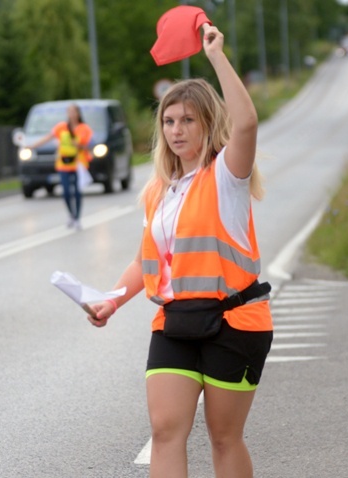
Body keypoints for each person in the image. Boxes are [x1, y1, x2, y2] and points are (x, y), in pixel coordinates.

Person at [85, 25, 273, 478]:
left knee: (224, 437)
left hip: (233, 321)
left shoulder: (226, 177)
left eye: (187, 120)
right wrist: (111, 300)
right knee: (166, 430)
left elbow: (246, 123)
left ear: (208, 122)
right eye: (169, 121)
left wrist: (216, 57)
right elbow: (143, 261)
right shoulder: (158, 191)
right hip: (174, 321)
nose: (176, 130)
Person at [27, 104, 92, 229]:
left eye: (73, 112)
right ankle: (71, 215)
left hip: (78, 164)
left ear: (78, 114)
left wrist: (77, 144)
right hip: (63, 165)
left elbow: (88, 146)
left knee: (77, 192)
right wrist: (32, 146)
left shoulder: (84, 129)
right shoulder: (62, 127)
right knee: (66, 192)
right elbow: (47, 138)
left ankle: (77, 217)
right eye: (69, 112)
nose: (71, 114)